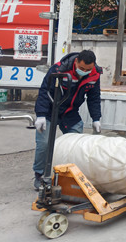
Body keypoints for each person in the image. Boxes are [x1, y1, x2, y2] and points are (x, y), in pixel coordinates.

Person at [33, 50, 102, 190]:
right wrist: (40, 115)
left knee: (76, 143)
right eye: (82, 68)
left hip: (70, 112)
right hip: (50, 110)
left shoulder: (94, 74)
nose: (84, 72)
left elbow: (94, 98)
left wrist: (96, 118)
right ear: (76, 62)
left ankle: (70, 174)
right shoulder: (59, 69)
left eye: (88, 69)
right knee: (44, 143)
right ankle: (40, 174)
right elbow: (45, 91)